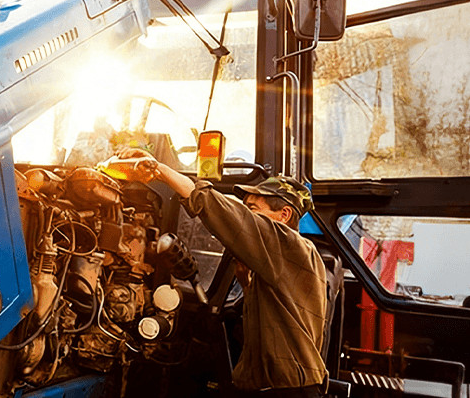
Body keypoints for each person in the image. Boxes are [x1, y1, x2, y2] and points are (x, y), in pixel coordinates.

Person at [117, 149, 328, 398]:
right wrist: (246, 282)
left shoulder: (290, 245)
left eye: (254, 210)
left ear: (284, 215)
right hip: (273, 388)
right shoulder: (281, 261)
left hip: (288, 393)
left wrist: (160, 169)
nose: (248, 216)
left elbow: (223, 211)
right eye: (246, 209)